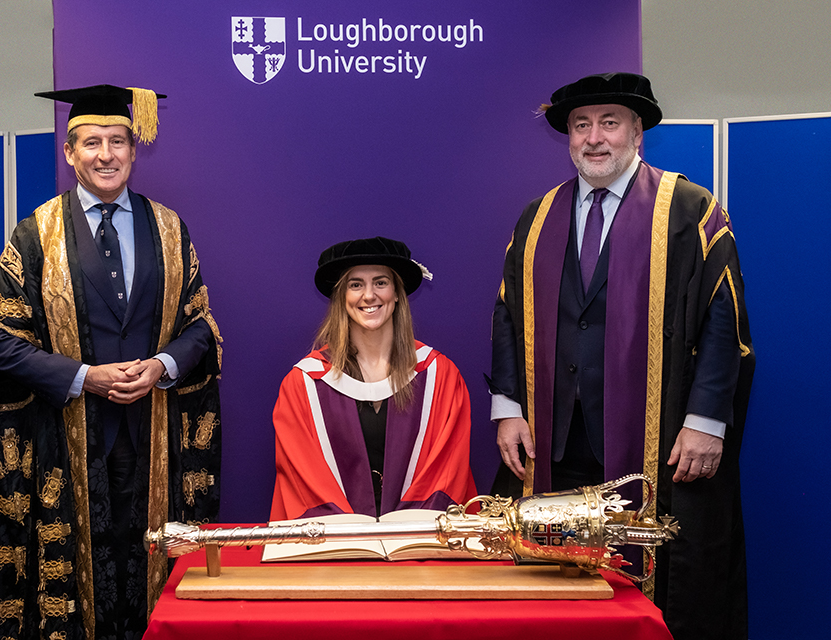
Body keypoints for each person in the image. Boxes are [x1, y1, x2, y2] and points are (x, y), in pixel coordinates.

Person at [488, 73, 753, 640]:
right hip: (555, 442)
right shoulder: (538, 218)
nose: (594, 137)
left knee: (670, 588)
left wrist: (706, 422)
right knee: (554, 586)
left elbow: (723, 321)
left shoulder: (689, 211)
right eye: (581, 125)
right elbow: (508, 314)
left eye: (609, 122)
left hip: (659, 445)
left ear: (638, 132)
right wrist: (507, 406)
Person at [0, 84, 222, 640]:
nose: (105, 154)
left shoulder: (170, 230)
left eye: (117, 141)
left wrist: (161, 365)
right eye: (91, 143)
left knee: (151, 584)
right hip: (69, 444)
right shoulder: (36, 235)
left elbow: (201, 328)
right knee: (81, 595)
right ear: (68, 151)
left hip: (155, 443)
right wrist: (84, 377)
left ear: (134, 149)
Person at [270, 237, 476, 521]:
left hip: (418, 549)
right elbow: (303, 479)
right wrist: (350, 534)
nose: (369, 295)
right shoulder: (303, 385)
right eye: (356, 285)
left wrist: (404, 531)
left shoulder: (439, 376)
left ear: (396, 293)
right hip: (337, 552)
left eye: (380, 282)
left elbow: (447, 470)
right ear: (342, 296)